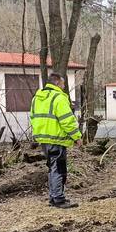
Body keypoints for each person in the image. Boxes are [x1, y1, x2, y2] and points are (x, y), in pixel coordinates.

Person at [30, 72, 82, 209]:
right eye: (63, 84)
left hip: (44, 139)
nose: (64, 86)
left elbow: (32, 117)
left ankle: (54, 197)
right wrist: (76, 136)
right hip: (57, 140)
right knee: (59, 169)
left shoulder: (37, 98)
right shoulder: (59, 98)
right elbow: (67, 121)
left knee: (52, 168)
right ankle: (58, 198)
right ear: (57, 83)